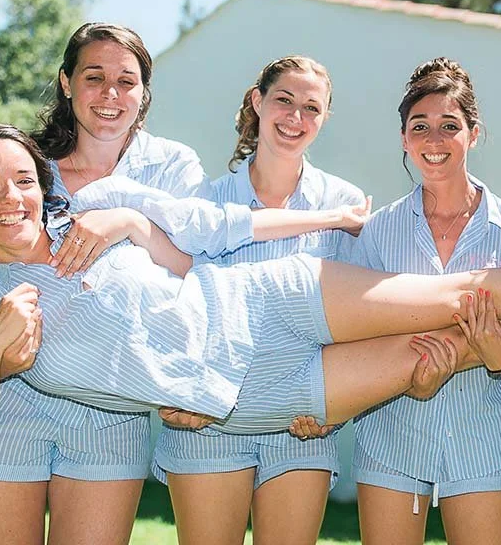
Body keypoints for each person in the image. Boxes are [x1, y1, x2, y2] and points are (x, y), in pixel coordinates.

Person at [0, 126, 501, 515]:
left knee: (461, 291)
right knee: (450, 347)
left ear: (44, 184)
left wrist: (133, 227)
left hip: (262, 298)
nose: (12, 198)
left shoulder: (98, 210)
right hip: (247, 394)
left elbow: (208, 240)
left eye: (22, 179)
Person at [0, 22, 212, 545]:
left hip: (108, 404)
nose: (110, 94)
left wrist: (131, 223)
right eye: (93, 76)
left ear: (144, 92)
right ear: (65, 82)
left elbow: (201, 275)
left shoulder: (173, 167)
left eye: (126, 81)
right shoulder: (26, 164)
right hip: (11, 397)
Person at [156, 56, 370, 545]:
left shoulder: (346, 206)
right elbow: (175, 310)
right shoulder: (206, 204)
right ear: (258, 102)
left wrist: (337, 407)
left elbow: (362, 320)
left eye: (311, 108)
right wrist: (178, 394)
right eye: (284, 101)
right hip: (209, 423)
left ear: (324, 119)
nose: (296, 117)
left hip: (300, 424)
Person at [345, 58, 501, 544]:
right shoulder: (377, 233)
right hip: (392, 436)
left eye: (449, 126)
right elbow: (357, 336)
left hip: (485, 443)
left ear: (474, 133)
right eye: (420, 127)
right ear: (404, 139)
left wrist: (499, 360)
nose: (434, 141)